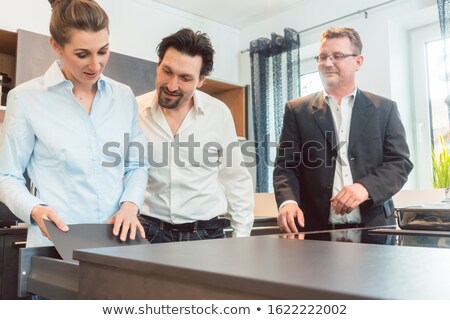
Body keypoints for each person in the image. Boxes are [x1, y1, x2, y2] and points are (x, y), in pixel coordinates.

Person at [0, 0, 149, 247]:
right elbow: (6, 175)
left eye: (103, 51)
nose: (95, 65)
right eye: (82, 54)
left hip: (115, 242)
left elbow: (137, 164)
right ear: (56, 46)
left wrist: (131, 205)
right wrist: (34, 208)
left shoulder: (123, 97)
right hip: (57, 242)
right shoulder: (26, 99)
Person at [273, 27, 413, 233]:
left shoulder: (385, 109)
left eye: (337, 56)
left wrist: (365, 188)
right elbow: (286, 166)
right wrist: (288, 202)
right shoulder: (296, 110)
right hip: (316, 232)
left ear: (358, 62)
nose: (327, 63)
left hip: (376, 230)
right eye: (322, 57)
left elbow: (399, 163)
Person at [136, 28, 254, 243]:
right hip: (148, 231)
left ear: (201, 80)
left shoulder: (219, 113)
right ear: (158, 65)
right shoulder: (134, 110)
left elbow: (235, 178)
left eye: (185, 78)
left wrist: (242, 239)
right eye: (167, 71)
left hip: (206, 234)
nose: (172, 85)